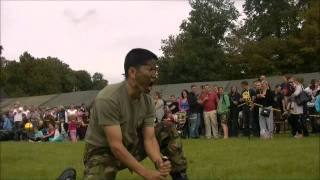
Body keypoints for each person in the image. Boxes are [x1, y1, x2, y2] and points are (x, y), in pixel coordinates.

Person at [81, 48, 187, 180]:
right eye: (150, 70)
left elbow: (149, 139)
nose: (155, 75)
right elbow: (115, 146)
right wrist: (146, 173)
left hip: (130, 145)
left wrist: (158, 161)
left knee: (166, 129)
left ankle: (180, 177)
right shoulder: (108, 98)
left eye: (156, 70)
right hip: (102, 151)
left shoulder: (147, 100)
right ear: (132, 72)